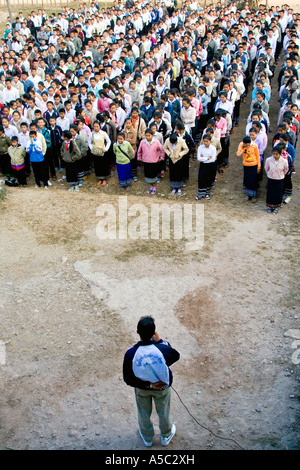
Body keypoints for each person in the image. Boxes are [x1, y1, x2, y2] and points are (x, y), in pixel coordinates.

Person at [123, 315, 180, 447]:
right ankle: (166, 434)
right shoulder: (161, 349)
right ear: (154, 332)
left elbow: (128, 378)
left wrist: (148, 385)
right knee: (163, 411)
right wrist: (160, 340)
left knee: (143, 412)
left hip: (142, 388)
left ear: (137, 332)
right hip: (162, 387)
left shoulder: (131, 353)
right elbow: (175, 355)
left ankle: (147, 437)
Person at [137, 128, 165, 195]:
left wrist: (161, 157)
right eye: (146, 135)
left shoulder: (156, 142)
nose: (148, 137)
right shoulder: (143, 142)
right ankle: (150, 187)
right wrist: (139, 157)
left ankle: (154, 187)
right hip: (146, 161)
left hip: (154, 161)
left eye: (149, 135)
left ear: (152, 135)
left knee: (154, 175)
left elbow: (162, 150)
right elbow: (139, 151)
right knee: (148, 175)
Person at [264, 146, 289, 214]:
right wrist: (270, 174)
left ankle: (276, 206)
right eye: (273, 154)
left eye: (276, 154)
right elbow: (266, 168)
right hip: (271, 178)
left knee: (278, 193)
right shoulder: (268, 160)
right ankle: (270, 206)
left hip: (279, 179)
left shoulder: (284, 161)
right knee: (270, 192)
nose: (275, 155)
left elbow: (285, 170)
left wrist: (280, 175)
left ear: (280, 154)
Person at [236, 135, 261, 201]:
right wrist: (243, 148)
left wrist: (259, 166)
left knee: (253, 180)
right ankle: (248, 194)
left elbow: (258, 156)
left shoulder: (254, 145)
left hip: (253, 165)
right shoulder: (241, 145)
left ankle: (253, 195)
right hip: (246, 165)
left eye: (248, 144)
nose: (247, 145)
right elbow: (238, 154)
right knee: (247, 179)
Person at [195, 133, 217, 200]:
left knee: (209, 179)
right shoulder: (200, 147)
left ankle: (207, 193)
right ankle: (200, 194)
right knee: (201, 179)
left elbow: (213, 159)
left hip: (211, 166)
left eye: (207, 141)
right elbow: (199, 158)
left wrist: (203, 158)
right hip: (203, 165)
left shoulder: (213, 148)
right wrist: (207, 158)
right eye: (204, 141)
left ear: (210, 141)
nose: (205, 143)